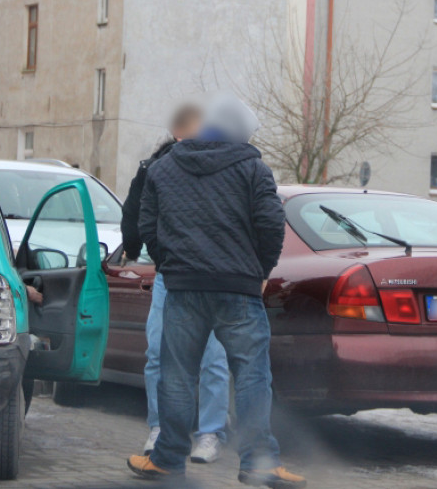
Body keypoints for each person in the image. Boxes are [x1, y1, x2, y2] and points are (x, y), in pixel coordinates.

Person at [127, 94, 305, 488]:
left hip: (184, 288)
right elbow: (271, 225)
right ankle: (260, 463)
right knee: (252, 378)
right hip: (238, 290)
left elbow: (147, 225)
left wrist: (171, 265)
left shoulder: (165, 167)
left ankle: (167, 460)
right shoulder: (254, 169)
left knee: (175, 377)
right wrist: (259, 270)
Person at [121, 103, 231, 463]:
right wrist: (149, 250)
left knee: (213, 358)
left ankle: (211, 433)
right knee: (158, 353)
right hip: (172, 275)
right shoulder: (157, 168)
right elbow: (137, 212)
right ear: (179, 133)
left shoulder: (223, 168)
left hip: (215, 276)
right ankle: (161, 427)